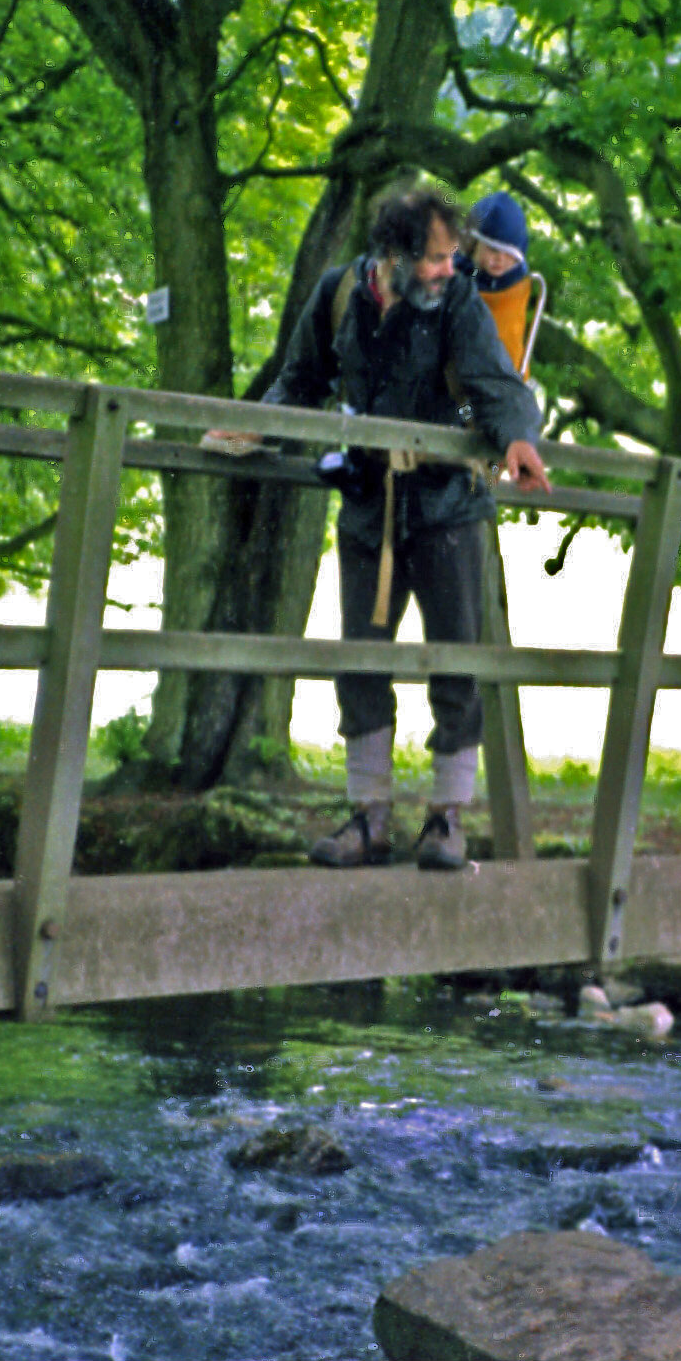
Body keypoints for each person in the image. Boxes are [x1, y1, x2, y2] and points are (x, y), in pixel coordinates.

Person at [263, 185, 551, 870]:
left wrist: (518, 438)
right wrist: (251, 428)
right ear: (392, 255)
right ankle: (369, 818)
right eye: (436, 258)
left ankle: (447, 819)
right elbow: (298, 379)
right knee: (360, 663)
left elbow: (499, 385)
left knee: (455, 664)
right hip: (369, 506)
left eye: (454, 256)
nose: (451, 268)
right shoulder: (340, 295)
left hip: (449, 507)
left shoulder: (457, 301)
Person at [458, 191, 545, 377]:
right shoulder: (455, 274)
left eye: (509, 254)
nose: (500, 259)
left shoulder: (515, 287)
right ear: (474, 244)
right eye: (492, 250)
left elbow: (509, 338)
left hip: (503, 376)